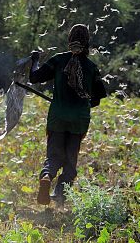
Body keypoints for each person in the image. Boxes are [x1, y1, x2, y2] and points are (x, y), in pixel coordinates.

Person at [29, 24, 107, 206]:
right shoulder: (91, 68)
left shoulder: (57, 61)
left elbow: (34, 78)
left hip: (57, 118)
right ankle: (60, 199)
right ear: (87, 42)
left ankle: (47, 176)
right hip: (78, 121)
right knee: (70, 163)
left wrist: (35, 60)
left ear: (69, 40)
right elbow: (96, 100)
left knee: (54, 157)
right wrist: (81, 103)